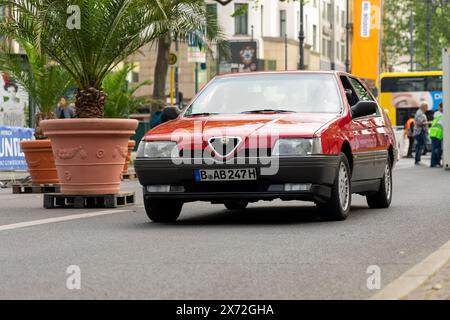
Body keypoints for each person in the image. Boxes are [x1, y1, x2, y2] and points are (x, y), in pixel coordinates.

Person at [429, 103, 443, 168]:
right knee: (436, 149)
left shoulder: (436, 114)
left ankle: (436, 163)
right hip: (436, 134)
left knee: (437, 149)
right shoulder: (441, 115)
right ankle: (434, 163)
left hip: (434, 133)